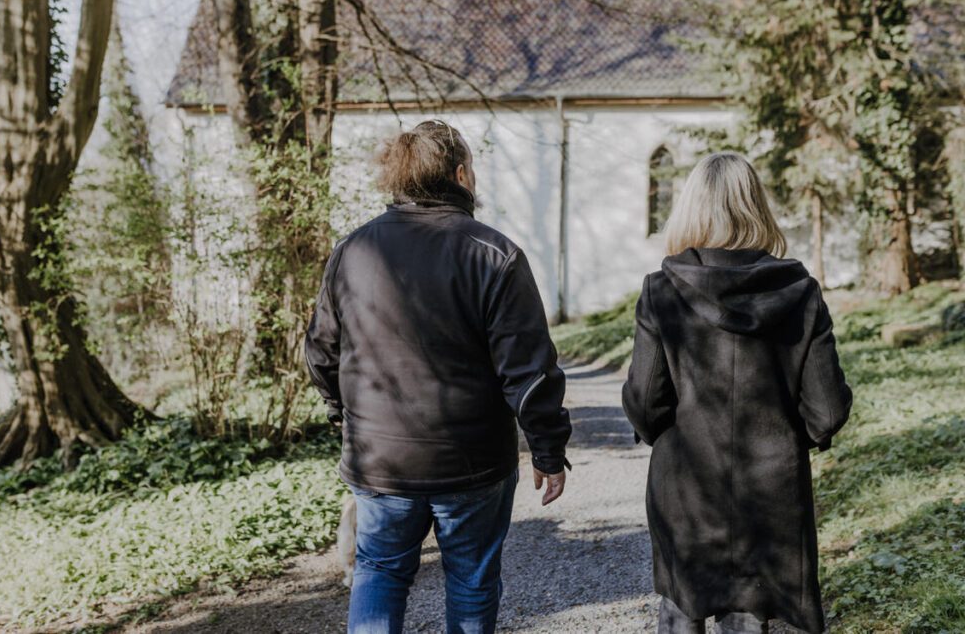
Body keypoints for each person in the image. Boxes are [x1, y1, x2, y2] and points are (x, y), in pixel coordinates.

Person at [305, 120, 572, 634]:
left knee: (379, 572)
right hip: (472, 464)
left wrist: (346, 420)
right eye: (471, 168)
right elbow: (530, 370)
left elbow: (321, 353)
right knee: (471, 581)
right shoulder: (494, 254)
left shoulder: (352, 251)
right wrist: (547, 449)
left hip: (379, 460)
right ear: (460, 174)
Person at [622, 152, 853, 634]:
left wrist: (669, 432)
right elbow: (827, 409)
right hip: (770, 496)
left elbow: (645, 401)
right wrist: (791, 439)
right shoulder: (801, 291)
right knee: (751, 618)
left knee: (682, 611)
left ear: (691, 209)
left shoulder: (661, 291)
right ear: (756, 207)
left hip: (685, 492)